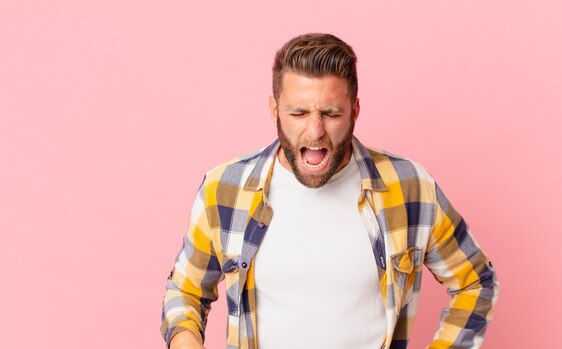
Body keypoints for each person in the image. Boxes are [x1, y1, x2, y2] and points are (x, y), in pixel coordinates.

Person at [161, 33, 499, 349]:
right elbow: (185, 290)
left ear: (354, 111)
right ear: (274, 109)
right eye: (298, 112)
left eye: (331, 113)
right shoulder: (225, 189)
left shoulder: (410, 187)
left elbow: (476, 281)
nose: (315, 131)